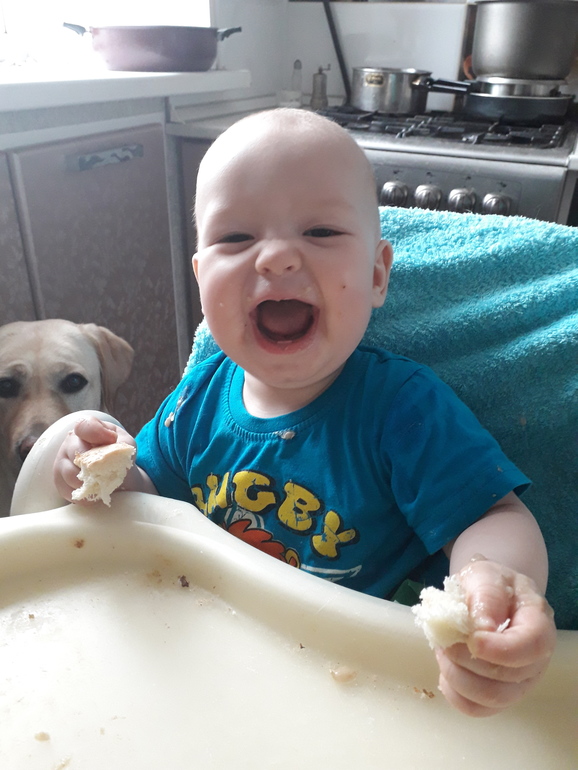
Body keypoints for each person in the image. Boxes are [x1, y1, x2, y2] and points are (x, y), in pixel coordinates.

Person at [54, 108, 556, 718]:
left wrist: (494, 580)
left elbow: (491, 514)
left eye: (320, 231)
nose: (276, 258)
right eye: (235, 238)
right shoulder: (194, 401)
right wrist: (97, 472)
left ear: (377, 274)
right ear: (201, 281)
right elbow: (149, 506)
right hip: (222, 660)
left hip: (362, 686)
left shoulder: (402, 408)